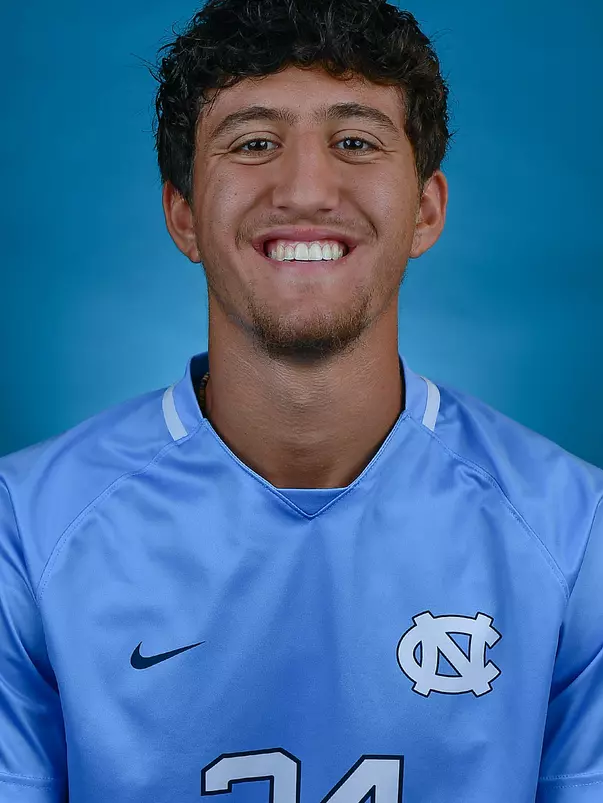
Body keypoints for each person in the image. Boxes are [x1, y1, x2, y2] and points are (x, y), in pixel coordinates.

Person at [1, 0, 602, 800]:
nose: (307, 187)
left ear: (426, 209)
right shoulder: (27, 528)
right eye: (254, 143)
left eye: (354, 141)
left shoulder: (574, 533)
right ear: (183, 214)